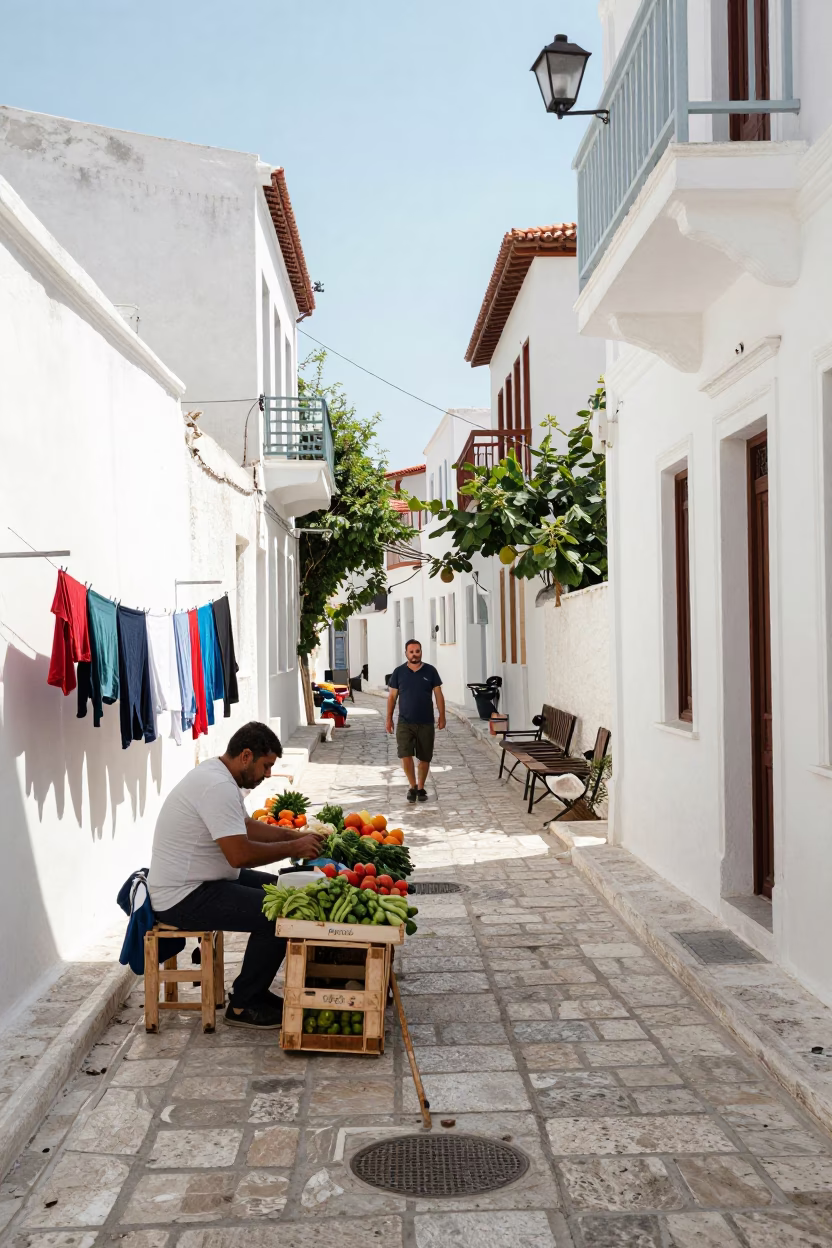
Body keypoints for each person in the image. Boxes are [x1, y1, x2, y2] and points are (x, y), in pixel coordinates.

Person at [147, 721, 324, 1030]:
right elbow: (239, 854)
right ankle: (243, 1004)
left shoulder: (218, 776)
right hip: (184, 896)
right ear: (246, 756)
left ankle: (254, 992)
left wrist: (287, 835)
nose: (268, 774)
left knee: (284, 889)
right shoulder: (216, 786)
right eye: (266, 766)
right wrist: (293, 846)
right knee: (281, 911)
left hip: (204, 881)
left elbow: (244, 825)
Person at [385, 639, 445, 803]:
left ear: (421, 652)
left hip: (426, 721)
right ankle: (412, 786)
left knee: (425, 757)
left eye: (417, 651)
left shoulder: (431, 671)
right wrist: (389, 719)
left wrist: (442, 715)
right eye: (411, 651)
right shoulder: (398, 673)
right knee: (405, 754)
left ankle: (421, 787)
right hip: (405, 722)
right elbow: (392, 697)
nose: (414, 654)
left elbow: (438, 695)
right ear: (406, 653)